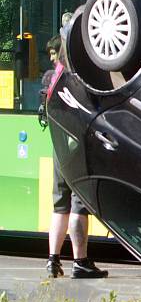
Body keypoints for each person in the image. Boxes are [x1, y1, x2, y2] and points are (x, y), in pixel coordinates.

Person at [43, 27, 108, 279]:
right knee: (79, 205)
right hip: (78, 148)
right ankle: (80, 261)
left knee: (60, 205)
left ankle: (53, 260)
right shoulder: (81, 78)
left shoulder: (52, 77)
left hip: (58, 147)